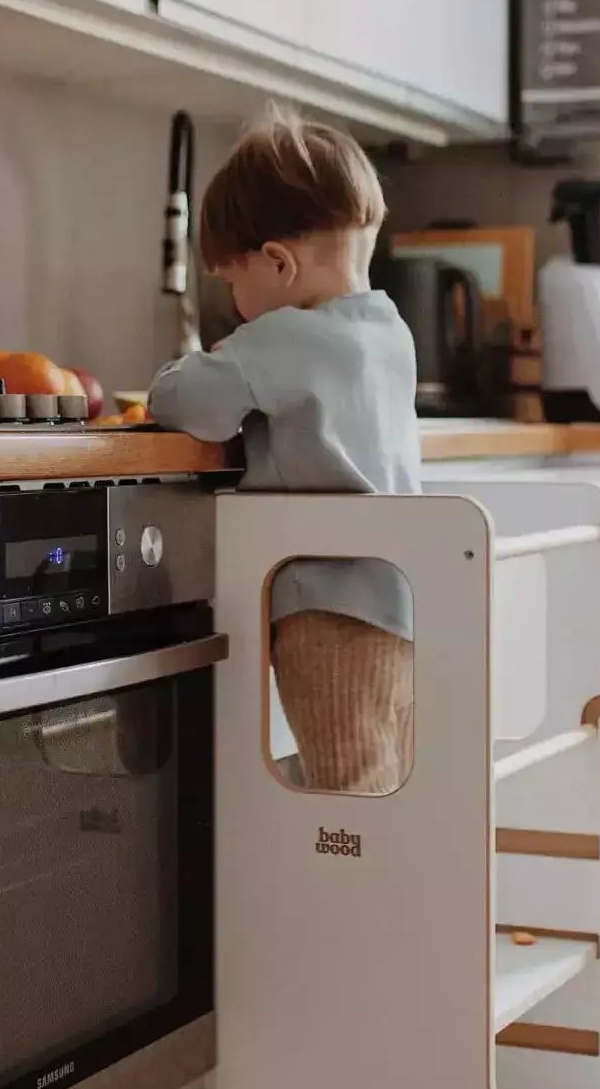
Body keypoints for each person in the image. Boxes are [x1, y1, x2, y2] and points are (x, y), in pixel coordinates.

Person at [149, 110, 421, 795]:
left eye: (232, 281)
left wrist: (195, 366)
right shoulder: (388, 330)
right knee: (387, 777)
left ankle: (344, 873)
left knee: (344, 789)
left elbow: (185, 402)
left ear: (278, 262)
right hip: (401, 598)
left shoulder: (290, 335)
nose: (235, 302)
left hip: (327, 609)